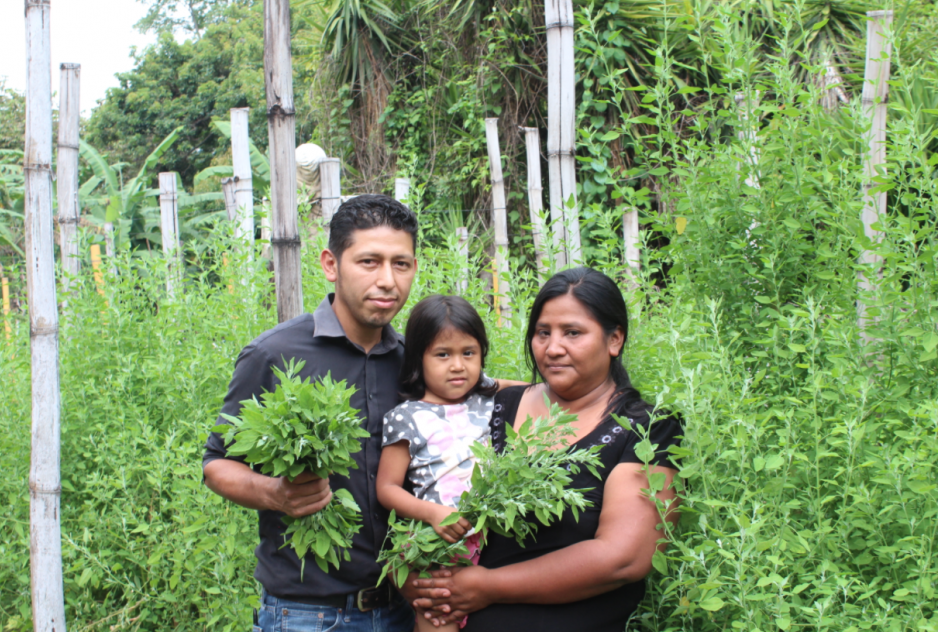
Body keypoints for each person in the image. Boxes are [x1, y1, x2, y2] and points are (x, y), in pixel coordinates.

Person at [411, 267, 683, 631]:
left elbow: (623, 558)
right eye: (543, 333)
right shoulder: (496, 407)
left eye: (573, 332)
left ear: (614, 339)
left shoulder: (647, 430)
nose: (553, 348)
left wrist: (486, 587)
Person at [203, 194, 419, 632]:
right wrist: (274, 493)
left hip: (403, 609)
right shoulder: (274, 354)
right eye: (369, 262)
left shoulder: (414, 362)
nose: (387, 281)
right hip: (308, 616)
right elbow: (217, 464)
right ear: (330, 264)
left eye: (401, 264)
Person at [376, 295, 523, 632]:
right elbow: (386, 488)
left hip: (492, 547)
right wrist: (432, 514)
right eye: (443, 354)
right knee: (439, 615)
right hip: (438, 547)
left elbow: (537, 389)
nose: (458, 365)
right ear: (419, 359)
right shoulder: (406, 416)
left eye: (468, 353)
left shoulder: (488, 398)